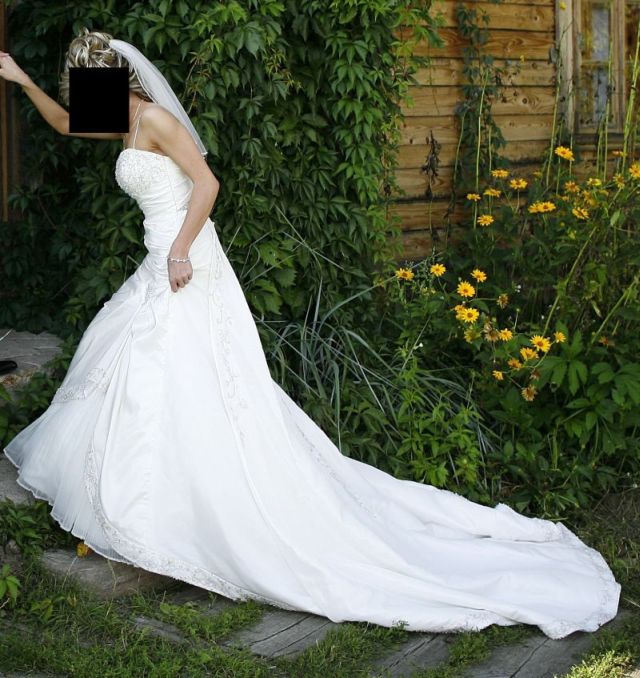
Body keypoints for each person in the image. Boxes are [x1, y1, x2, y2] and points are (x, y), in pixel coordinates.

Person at [0, 29, 622, 640]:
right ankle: (150, 506)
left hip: (185, 260)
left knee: (177, 373)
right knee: (140, 370)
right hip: (160, 258)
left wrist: (181, 251)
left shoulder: (157, 119)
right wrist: (22, 80)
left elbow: (208, 185)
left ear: (114, 79)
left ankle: (186, 510)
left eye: (89, 85)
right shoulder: (120, 117)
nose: (85, 98)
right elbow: (64, 124)